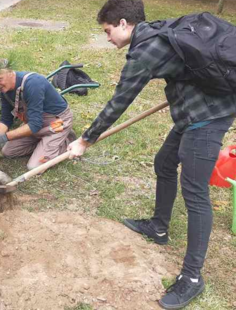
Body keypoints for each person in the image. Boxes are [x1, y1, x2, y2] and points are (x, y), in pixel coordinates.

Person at [67, 0, 236, 308]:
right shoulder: (157, 31)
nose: (107, 39)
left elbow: (120, 100)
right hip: (193, 110)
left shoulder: (145, 51)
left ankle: (193, 278)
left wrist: (85, 140)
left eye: (107, 31)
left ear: (122, 24)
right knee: (164, 162)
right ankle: (159, 227)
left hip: (208, 116)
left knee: (195, 191)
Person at [0, 63, 76, 169]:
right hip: (35, 124)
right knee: (7, 151)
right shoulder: (5, 91)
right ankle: (44, 143)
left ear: (10, 73)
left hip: (56, 123)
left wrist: (5, 137)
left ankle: (67, 140)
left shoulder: (33, 83)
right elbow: (6, 119)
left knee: (35, 167)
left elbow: (35, 125)